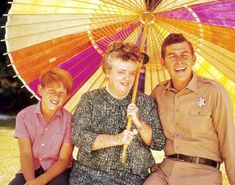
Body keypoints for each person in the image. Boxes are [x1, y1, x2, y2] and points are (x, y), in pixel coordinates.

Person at [69, 41, 166, 185]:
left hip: (134, 178)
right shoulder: (90, 99)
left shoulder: (145, 102)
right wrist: (117, 139)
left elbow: (158, 143)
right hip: (91, 175)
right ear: (108, 72)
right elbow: (79, 137)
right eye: (121, 72)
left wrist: (139, 123)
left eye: (132, 73)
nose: (127, 79)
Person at [144, 33, 235, 185]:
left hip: (203, 173)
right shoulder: (158, 93)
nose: (179, 61)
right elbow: (145, 130)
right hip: (166, 172)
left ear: (193, 59)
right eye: (171, 56)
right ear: (163, 62)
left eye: (184, 55)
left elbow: (229, 142)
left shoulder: (213, 91)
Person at [9, 68, 74, 185]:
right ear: (41, 90)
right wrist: (31, 182)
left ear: (67, 96)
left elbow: (64, 159)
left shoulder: (69, 120)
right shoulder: (24, 116)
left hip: (57, 170)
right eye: (52, 91)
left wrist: (41, 180)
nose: (56, 96)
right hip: (31, 168)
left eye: (61, 93)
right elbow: (26, 154)